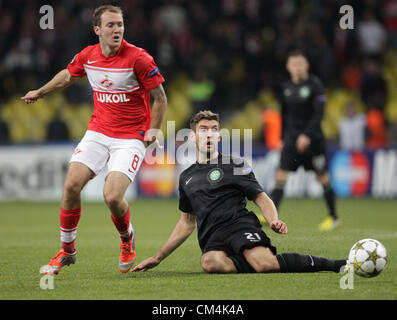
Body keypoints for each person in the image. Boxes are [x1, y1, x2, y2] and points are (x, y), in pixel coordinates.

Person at [21, 5, 167, 275]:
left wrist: (154, 131)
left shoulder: (139, 58)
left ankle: (127, 239)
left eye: (120, 24)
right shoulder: (89, 55)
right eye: (111, 25)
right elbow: (68, 75)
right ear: (97, 30)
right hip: (98, 131)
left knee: (112, 196)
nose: (117, 30)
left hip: (129, 137)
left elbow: (160, 98)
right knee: (71, 186)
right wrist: (41, 92)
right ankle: (67, 251)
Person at [132, 110, 346, 275]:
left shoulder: (234, 164)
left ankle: (335, 265)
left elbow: (260, 196)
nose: (209, 133)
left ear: (219, 136)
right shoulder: (186, 177)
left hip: (238, 226)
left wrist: (273, 220)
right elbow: (187, 222)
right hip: (212, 236)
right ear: (193, 137)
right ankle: (250, 259)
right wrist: (158, 257)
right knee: (210, 263)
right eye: (204, 129)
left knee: (265, 264)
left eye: (214, 129)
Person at [270, 49, 339, 231]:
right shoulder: (286, 87)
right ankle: (272, 217)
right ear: (288, 67)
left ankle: (333, 217)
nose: (298, 68)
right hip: (291, 140)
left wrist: (307, 135)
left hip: (314, 141)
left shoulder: (316, 85)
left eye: (301, 64)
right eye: (294, 64)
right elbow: (284, 116)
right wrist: (283, 139)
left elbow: (319, 114)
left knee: (322, 177)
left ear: (306, 65)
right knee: (280, 177)